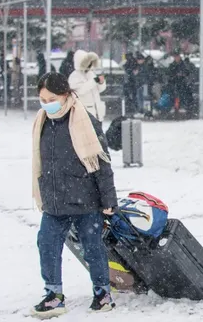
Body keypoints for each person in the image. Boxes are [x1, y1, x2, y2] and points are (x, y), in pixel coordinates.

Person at [31, 72, 118, 318]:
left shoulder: (84, 120)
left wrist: (109, 200)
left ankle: (102, 294)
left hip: (86, 199)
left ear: (66, 94)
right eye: (42, 98)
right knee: (47, 245)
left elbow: (102, 163)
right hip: (54, 201)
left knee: (92, 248)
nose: (46, 103)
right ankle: (53, 295)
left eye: (51, 98)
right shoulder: (43, 121)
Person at [68, 50, 107, 122]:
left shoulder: (91, 74)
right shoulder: (74, 76)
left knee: (98, 132)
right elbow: (80, 91)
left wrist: (101, 83)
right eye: (87, 63)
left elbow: (100, 90)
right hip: (85, 113)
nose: (89, 65)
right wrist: (94, 81)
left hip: (97, 113)